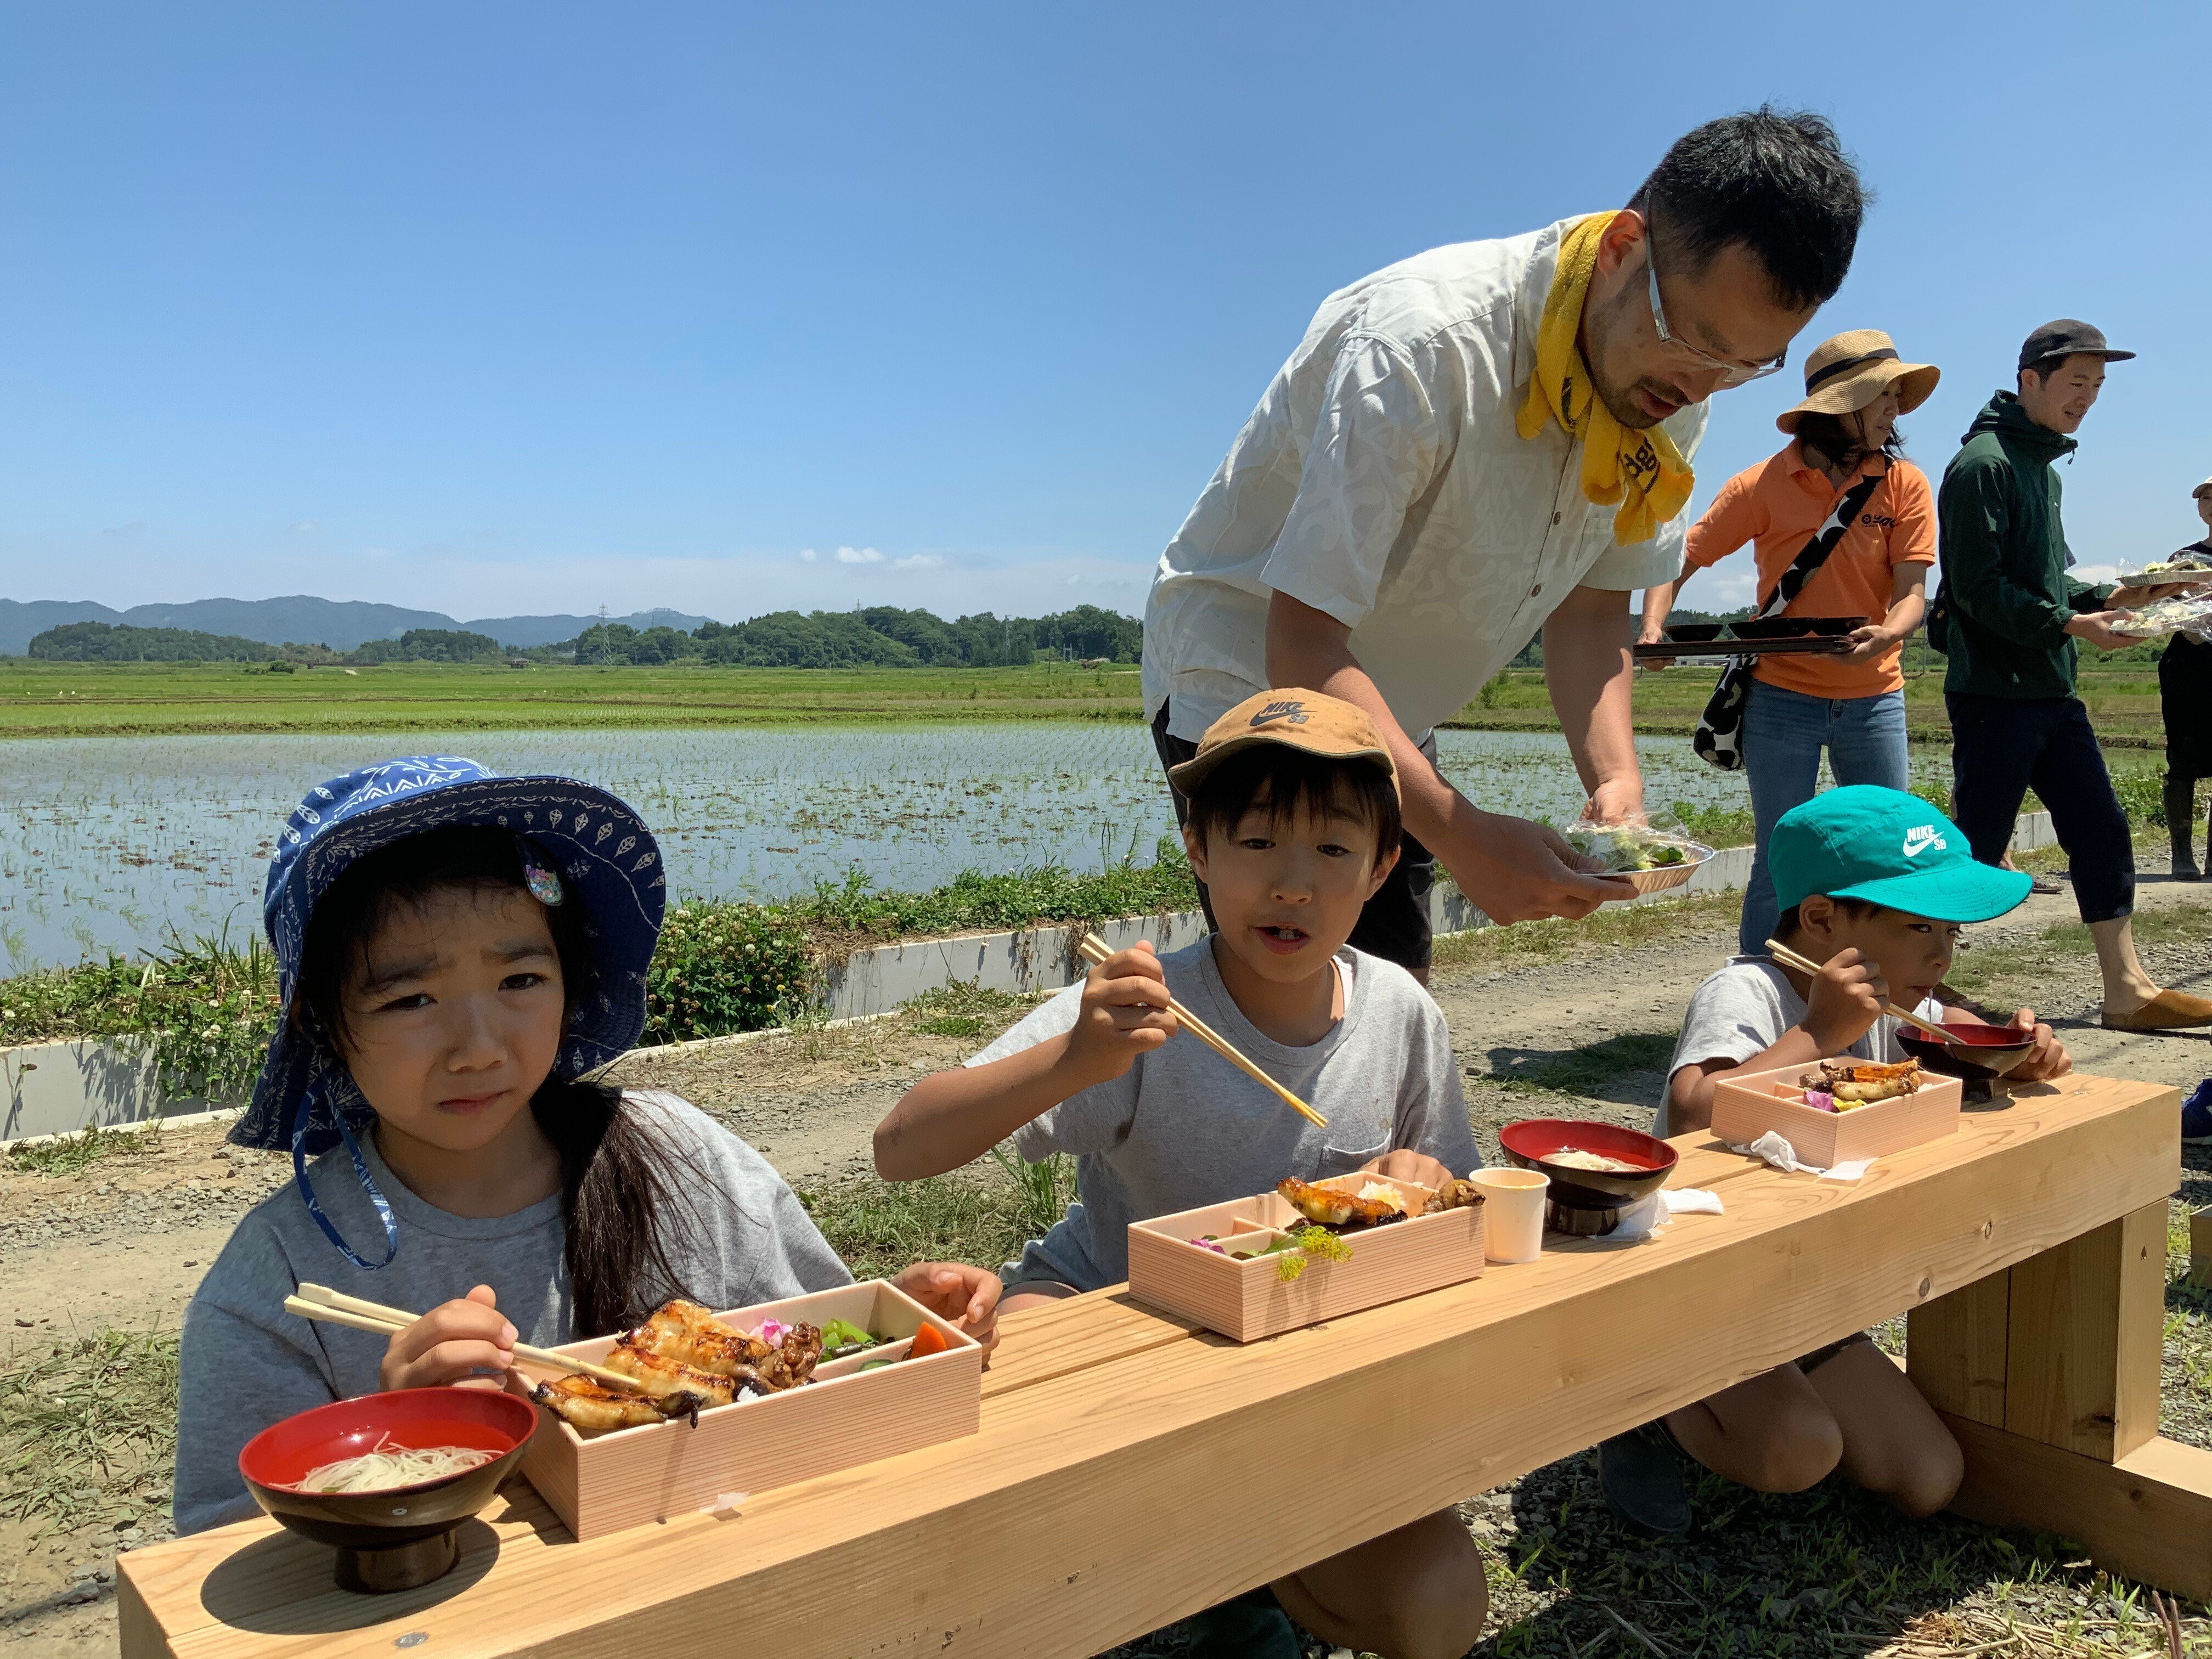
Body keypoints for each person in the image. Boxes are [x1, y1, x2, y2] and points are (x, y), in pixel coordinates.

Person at [173, 758, 1001, 1536]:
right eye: (412, 999)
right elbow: (223, 1560)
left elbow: (793, 1364)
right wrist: (404, 1450)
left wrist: (904, 1327)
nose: (478, 1047)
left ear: (569, 982)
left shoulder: (679, 1155)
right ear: (321, 1022)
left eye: (519, 982)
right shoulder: (281, 1285)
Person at [1141, 108, 1866, 975]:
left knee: (1388, 987)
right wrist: (1467, 840)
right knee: (1298, 990)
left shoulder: (1671, 387)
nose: (1704, 385)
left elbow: (1596, 609)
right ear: (1623, 249)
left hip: (1390, 700)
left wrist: (1614, 780)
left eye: (1750, 365)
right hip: (1252, 673)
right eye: (1699, 344)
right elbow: (1303, 637)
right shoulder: (1421, 346)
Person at [875, 691, 1485, 1659]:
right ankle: (1156, 1557)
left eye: (1331, 849)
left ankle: (1239, 1553)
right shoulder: (1145, 1008)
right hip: (1121, 1306)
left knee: (1443, 1605)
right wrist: (1075, 1057)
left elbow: (1464, 1212)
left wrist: (1418, 1184)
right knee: (1014, 1378)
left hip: (1298, 1343)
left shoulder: (1400, 1012)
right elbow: (899, 1146)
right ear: (1197, 850)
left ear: (1381, 867)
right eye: (1254, 842)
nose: (1291, 883)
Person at [1599, 786, 2070, 1533]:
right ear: (1821, 919)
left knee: (1929, 1479)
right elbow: (1692, 1111)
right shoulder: (1749, 991)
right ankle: (1638, 1406)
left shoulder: (1900, 1007)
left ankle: (1783, 1364)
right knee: (1797, 1450)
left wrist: (2021, 1055)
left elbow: (1966, 1039)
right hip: (1692, 1287)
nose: (1940, 951)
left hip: (1793, 1288)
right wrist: (1818, 1035)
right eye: (1917, 925)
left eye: (1950, 930)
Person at [1934, 320, 2212, 1030]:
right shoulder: (1984, 466)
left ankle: (2126, 990)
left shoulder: (2040, 468)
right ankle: (1917, 993)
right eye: (2076, 383)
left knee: (2100, 827)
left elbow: (2049, 583)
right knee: (1976, 849)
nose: (2087, 398)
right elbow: (1977, 589)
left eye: (2098, 387)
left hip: (2052, 691)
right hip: (1995, 691)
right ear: (2030, 380)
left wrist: (2123, 598)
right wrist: (2071, 624)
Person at [1639, 329, 1940, 956]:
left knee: (1887, 851)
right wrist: (1652, 627)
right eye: (1883, 396)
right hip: (1782, 699)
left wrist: (1888, 631)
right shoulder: (1761, 484)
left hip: (1875, 697)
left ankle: (1881, 991)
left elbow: (1913, 592)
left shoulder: (1905, 485)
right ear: (1840, 406)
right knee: (1780, 859)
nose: (1896, 409)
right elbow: (1678, 559)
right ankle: (1760, 993)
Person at [2158, 476, 2212, 881]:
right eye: (2205, 499)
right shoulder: (2185, 558)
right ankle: (2182, 855)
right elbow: (2167, 602)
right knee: (2182, 754)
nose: (2210, 504)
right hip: (2189, 666)